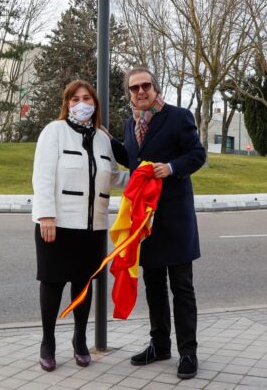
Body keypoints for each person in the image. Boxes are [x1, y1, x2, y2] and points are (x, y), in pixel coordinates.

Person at [110, 67, 206, 380]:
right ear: (129, 94)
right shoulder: (130, 123)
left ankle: (188, 352)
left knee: (181, 287)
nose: (140, 92)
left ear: (155, 87)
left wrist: (173, 166)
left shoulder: (179, 117)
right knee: (153, 286)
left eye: (145, 86)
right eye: (134, 88)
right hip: (145, 220)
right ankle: (160, 344)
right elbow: (133, 159)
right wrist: (106, 140)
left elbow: (197, 154)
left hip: (175, 218)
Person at [32, 80, 128, 372]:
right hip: (58, 225)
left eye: (87, 98)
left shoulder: (102, 138)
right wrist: (46, 215)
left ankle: (80, 339)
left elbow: (112, 176)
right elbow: (43, 175)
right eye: (75, 99)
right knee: (53, 283)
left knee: (83, 286)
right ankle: (48, 341)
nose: (81, 103)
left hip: (93, 227)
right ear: (67, 103)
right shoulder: (54, 131)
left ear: (95, 104)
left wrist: (145, 178)